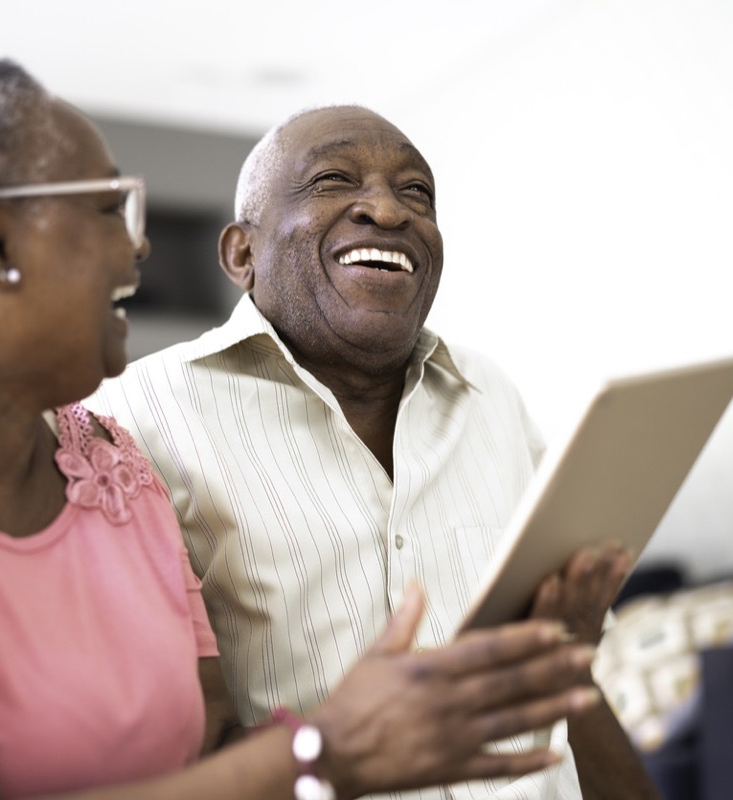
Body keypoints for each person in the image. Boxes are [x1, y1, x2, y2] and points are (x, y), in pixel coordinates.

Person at [0, 60, 606, 800]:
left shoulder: (111, 468)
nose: (138, 246)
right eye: (110, 209)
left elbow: (206, 748)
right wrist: (324, 753)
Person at [85, 105, 662, 800]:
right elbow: (163, 747)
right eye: (333, 179)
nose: (388, 211)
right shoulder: (132, 418)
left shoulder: (492, 396)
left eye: (417, 191)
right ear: (241, 254)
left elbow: (564, 681)